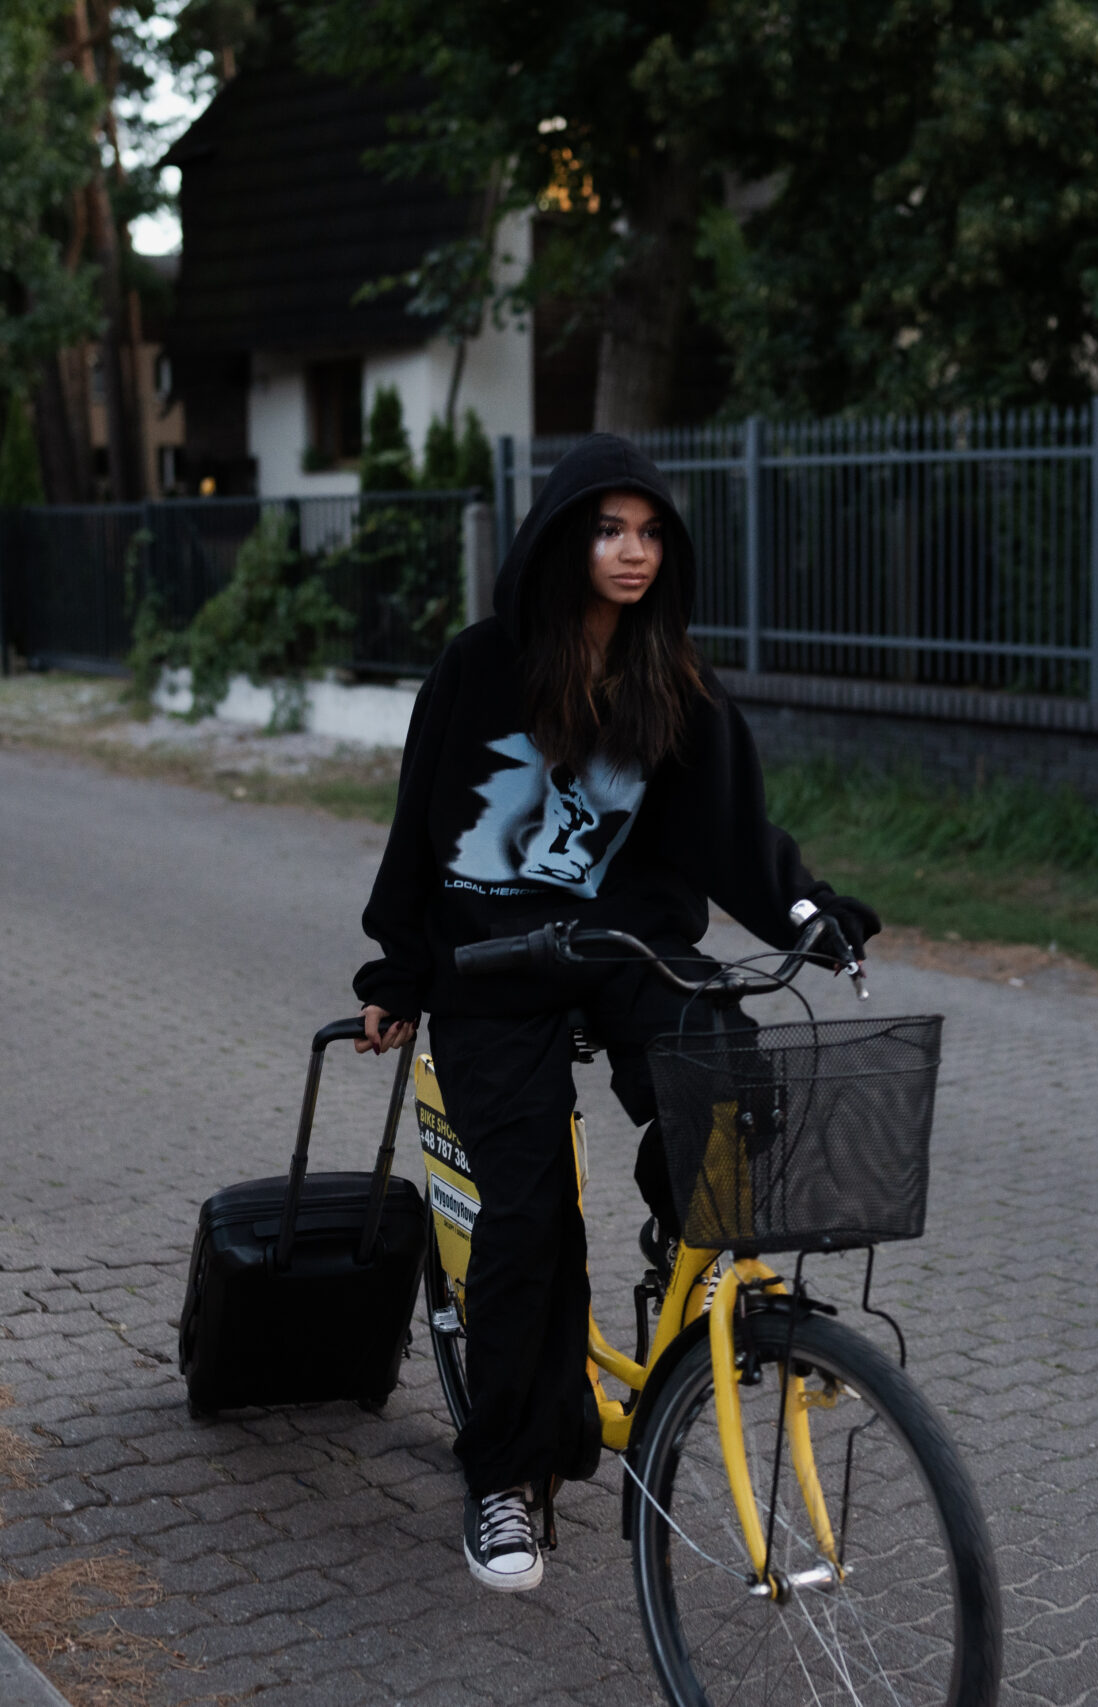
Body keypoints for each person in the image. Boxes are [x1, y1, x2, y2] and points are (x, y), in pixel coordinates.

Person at [350, 434, 880, 1593]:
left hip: (626, 949)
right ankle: (503, 1475)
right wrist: (397, 971)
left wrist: (807, 911)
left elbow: (735, 834)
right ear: (562, 539)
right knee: (529, 1214)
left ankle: (689, 1270)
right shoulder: (480, 665)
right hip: (491, 964)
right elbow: (418, 824)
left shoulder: (669, 677)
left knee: (730, 1086)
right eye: (607, 530)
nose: (632, 552)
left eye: (648, 533)